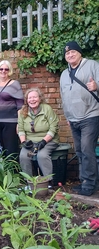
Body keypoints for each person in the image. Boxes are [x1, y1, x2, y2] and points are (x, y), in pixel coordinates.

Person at [60, 41, 99, 196]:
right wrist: (67, 116)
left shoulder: (92, 65)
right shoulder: (64, 74)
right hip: (73, 119)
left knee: (87, 149)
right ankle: (87, 182)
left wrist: (96, 86)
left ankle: (89, 185)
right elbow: (63, 96)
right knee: (80, 151)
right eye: (67, 53)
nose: (70, 55)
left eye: (73, 52)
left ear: (80, 53)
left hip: (91, 114)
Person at [18, 88, 59, 183]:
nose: (32, 100)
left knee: (42, 155)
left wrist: (44, 141)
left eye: (35, 97)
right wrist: (24, 142)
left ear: (40, 99)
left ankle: (48, 182)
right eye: (30, 98)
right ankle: (28, 182)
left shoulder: (47, 109)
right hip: (31, 143)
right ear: (26, 100)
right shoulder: (22, 112)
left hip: (48, 140)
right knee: (24, 156)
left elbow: (54, 127)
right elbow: (21, 129)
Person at [0, 60, 24, 159]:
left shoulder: (15, 84)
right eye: (1, 69)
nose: (3, 71)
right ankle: (1, 173)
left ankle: (12, 173)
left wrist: (19, 123)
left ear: (9, 71)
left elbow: (20, 106)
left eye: (6, 69)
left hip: (10, 122)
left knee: (10, 150)